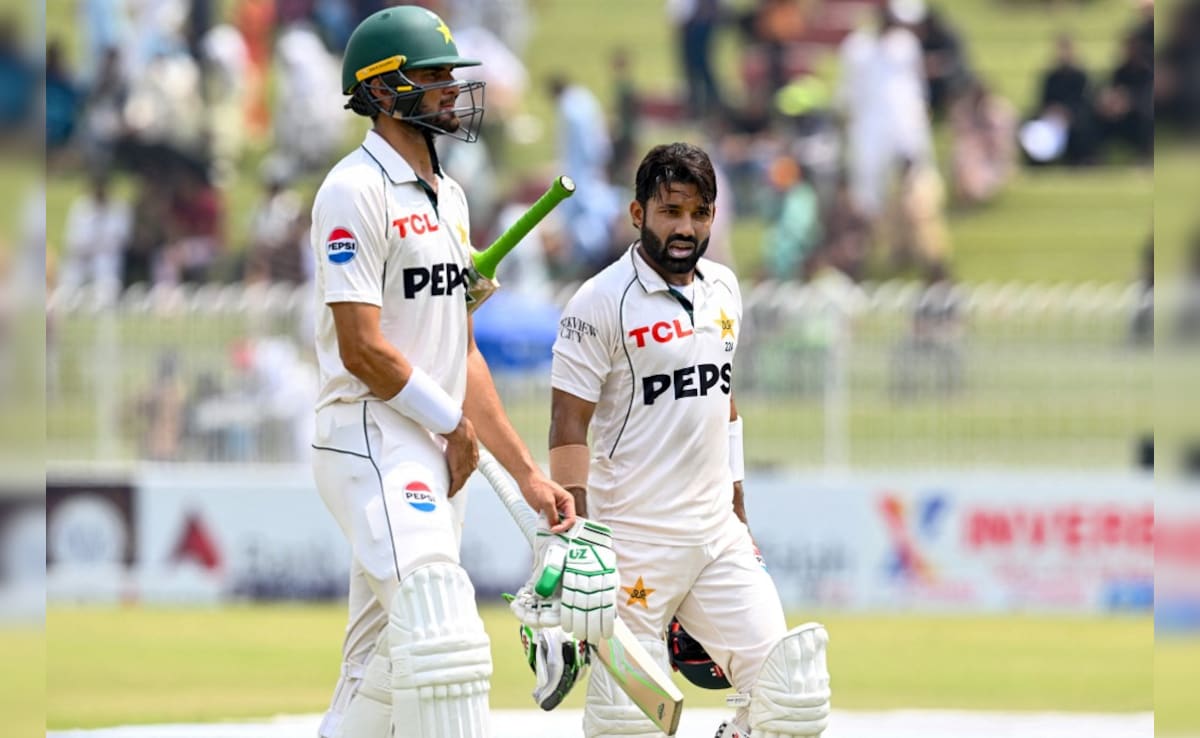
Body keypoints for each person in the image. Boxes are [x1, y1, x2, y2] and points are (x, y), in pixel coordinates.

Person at [307, 7, 616, 738]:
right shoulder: (354, 190)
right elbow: (360, 349)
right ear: (381, 90)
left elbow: (462, 353)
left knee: (384, 663)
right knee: (443, 629)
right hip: (372, 436)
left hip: (439, 446)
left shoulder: (450, 197)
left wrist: (529, 477)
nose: (452, 89)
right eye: (434, 75)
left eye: (451, 74)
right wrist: (451, 426)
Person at [529, 142, 832, 737]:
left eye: (699, 213)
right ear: (637, 213)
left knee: (792, 699)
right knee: (629, 725)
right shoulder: (598, 301)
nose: (686, 228)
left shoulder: (724, 289)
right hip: (631, 546)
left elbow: (725, 403)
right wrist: (580, 536)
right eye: (670, 212)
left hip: (718, 538)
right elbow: (568, 423)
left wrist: (739, 509)